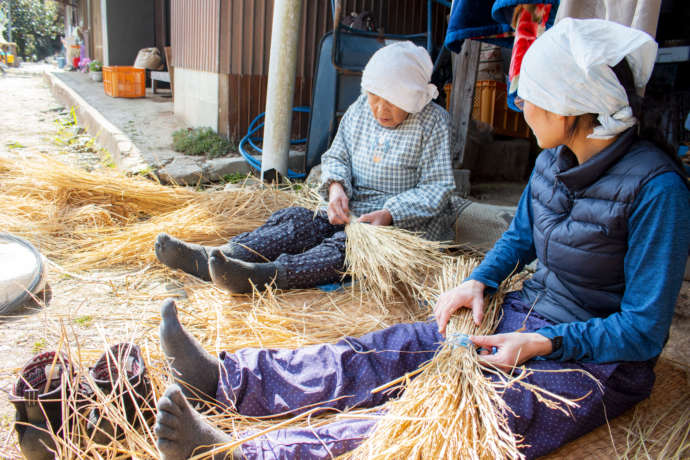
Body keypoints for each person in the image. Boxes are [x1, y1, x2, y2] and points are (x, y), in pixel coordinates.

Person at [152, 19, 690, 460]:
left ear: (569, 109)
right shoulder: (552, 162)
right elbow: (521, 237)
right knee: (381, 352)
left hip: (597, 361)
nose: (519, 108)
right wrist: (480, 280)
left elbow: (643, 332)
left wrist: (545, 344)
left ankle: (250, 455)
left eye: (530, 98)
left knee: (450, 413)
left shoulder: (657, 189)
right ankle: (227, 380)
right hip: (520, 314)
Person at [154, 41, 460, 293]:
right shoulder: (359, 111)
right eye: (374, 98)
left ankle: (264, 276)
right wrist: (336, 189)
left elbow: (438, 188)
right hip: (353, 209)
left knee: (346, 248)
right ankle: (219, 257)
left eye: (392, 101)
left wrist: (391, 213)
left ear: (412, 97)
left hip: (400, 225)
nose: (380, 109)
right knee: (299, 222)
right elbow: (337, 156)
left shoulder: (433, 122)